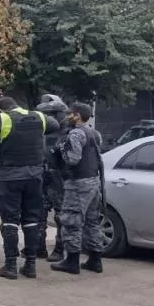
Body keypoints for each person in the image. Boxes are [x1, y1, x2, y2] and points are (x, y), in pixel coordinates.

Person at [0, 96, 59, 279]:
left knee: (10, 220)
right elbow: (55, 125)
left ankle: (11, 265)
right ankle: (30, 265)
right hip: (35, 176)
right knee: (32, 220)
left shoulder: (4, 118)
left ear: (1, 110)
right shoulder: (38, 116)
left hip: (11, 176)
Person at [51, 102, 106, 275]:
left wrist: (61, 150)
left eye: (70, 114)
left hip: (77, 183)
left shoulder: (75, 134)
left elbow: (73, 159)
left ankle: (72, 261)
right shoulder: (93, 133)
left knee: (71, 221)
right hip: (93, 181)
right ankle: (95, 260)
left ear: (77, 115)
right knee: (92, 222)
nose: (67, 117)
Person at [35, 94, 69, 262]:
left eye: (53, 114)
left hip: (59, 177)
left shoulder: (69, 132)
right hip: (41, 174)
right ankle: (38, 246)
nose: (49, 118)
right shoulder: (39, 130)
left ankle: (60, 248)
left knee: (61, 215)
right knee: (38, 212)